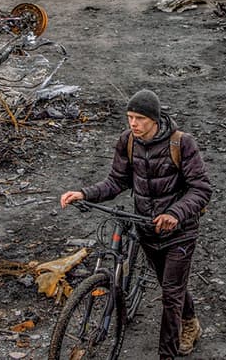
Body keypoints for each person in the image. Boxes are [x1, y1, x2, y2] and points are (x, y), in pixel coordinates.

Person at [61, 89, 212, 360]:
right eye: (130, 117)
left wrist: (175, 214)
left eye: (140, 118)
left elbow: (201, 190)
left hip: (180, 232)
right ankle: (190, 321)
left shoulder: (181, 144)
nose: (133, 124)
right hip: (146, 228)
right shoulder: (128, 142)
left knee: (170, 295)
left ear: (154, 119)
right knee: (171, 285)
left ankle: (168, 353)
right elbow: (116, 181)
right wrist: (84, 193)